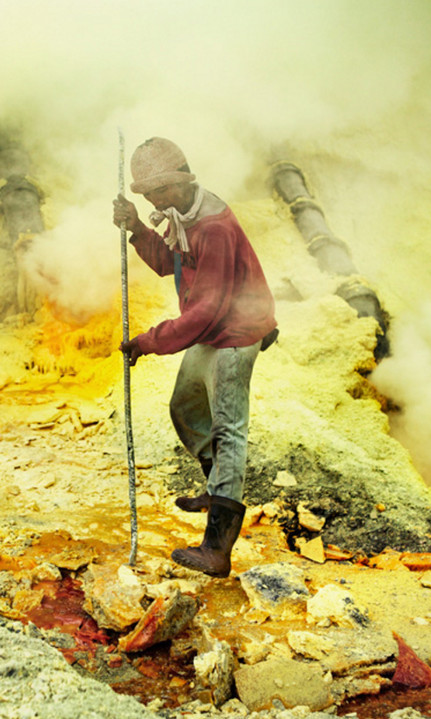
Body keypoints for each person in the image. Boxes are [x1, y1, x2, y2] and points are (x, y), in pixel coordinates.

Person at [112, 137, 277, 578]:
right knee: (184, 408)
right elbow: (173, 265)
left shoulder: (213, 226)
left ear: (180, 181)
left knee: (229, 433)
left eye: (158, 192)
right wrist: (139, 230)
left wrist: (149, 341)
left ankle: (216, 549)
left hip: (235, 334)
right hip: (215, 327)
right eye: (146, 195)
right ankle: (215, 487)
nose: (153, 200)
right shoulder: (183, 215)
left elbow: (207, 310)